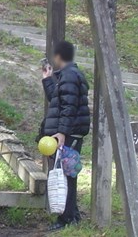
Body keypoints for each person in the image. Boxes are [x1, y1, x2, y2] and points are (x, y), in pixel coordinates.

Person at [40, 41, 90, 231]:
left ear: (58, 56)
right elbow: (58, 100)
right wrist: (47, 79)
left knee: (66, 175)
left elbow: (69, 108)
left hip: (68, 135)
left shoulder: (69, 76)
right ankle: (72, 214)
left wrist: (62, 132)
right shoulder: (67, 76)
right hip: (69, 133)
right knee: (68, 174)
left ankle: (66, 218)